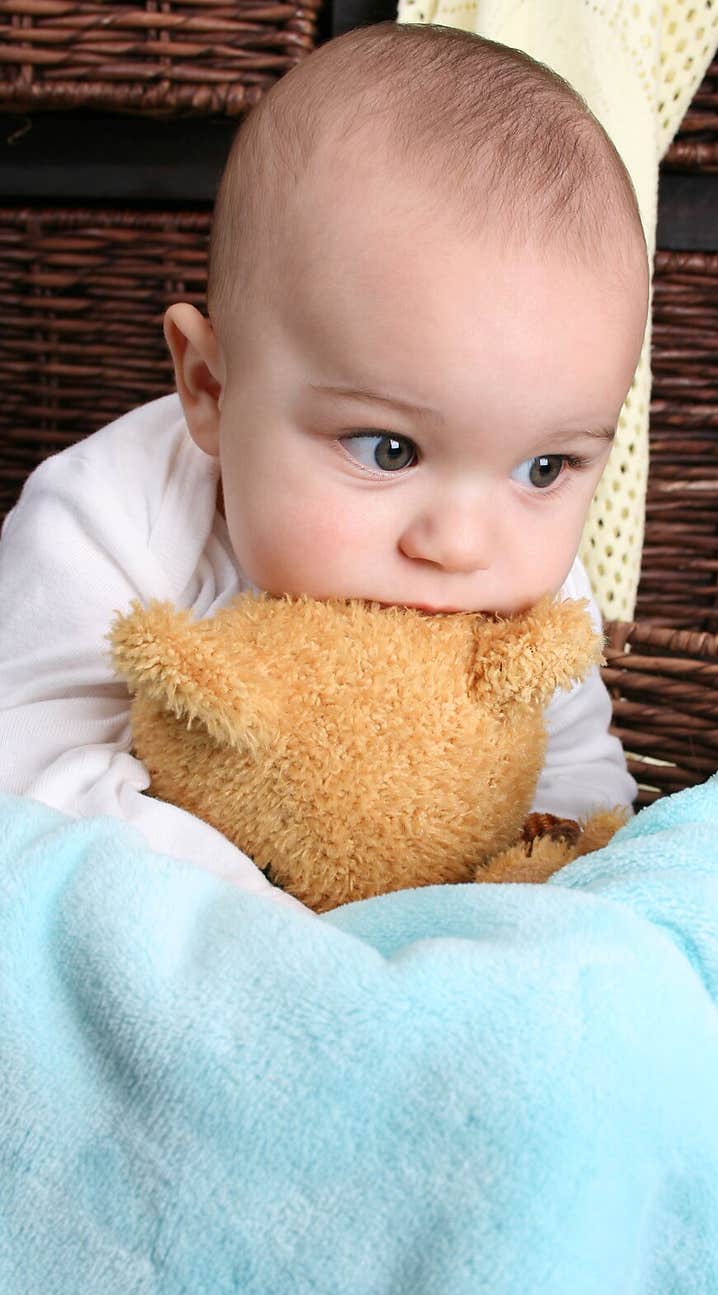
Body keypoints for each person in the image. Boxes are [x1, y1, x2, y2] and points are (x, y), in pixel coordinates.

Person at [0, 21, 649, 910]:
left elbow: (577, 776)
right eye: (390, 450)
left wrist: (539, 894)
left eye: (544, 468)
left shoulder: (538, 593)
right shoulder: (105, 518)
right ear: (210, 388)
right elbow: (25, 773)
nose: (461, 545)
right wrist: (253, 909)